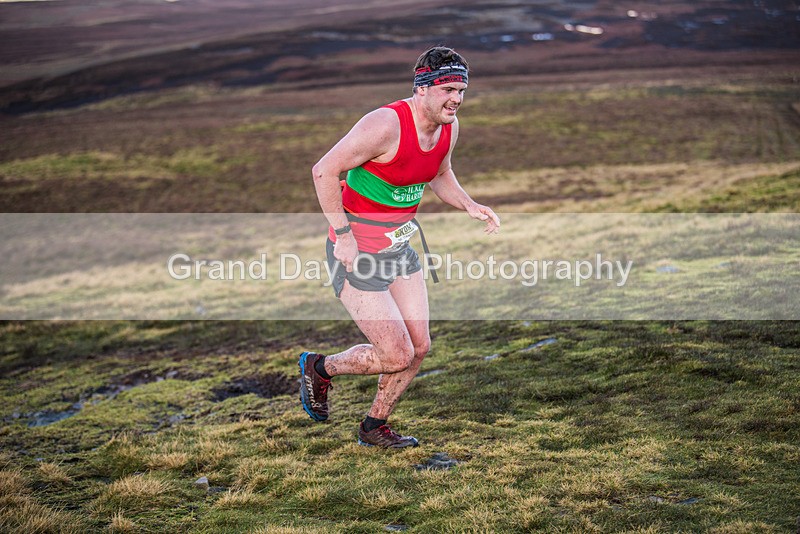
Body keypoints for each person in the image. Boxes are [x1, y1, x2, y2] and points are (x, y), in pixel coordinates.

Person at [300, 46, 500, 448]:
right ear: (422, 89)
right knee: (395, 354)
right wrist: (343, 236)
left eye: (461, 89)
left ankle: (374, 426)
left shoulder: (449, 127)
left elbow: (439, 173)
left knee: (419, 347)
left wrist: (469, 204)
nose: (456, 99)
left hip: (400, 248)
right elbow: (323, 169)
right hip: (357, 252)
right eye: (447, 89)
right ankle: (321, 368)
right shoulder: (385, 125)